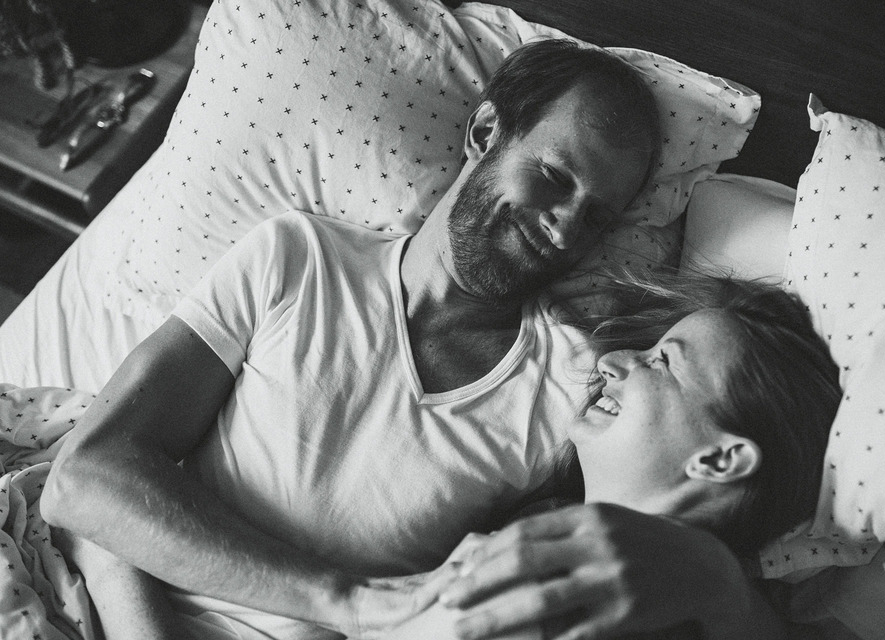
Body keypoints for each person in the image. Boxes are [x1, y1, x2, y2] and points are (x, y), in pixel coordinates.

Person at [37, 37, 792, 640]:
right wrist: (349, 602)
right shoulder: (299, 258)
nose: (565, 228)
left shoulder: (570, 387)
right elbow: (86, 479)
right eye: (555, 179)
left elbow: (650, 541)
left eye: (594, 217)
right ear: (486, 132)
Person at [380, 272, 842, 639]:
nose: (612, 360)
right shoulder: (544, 515)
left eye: (662, 362)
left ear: (719, 461)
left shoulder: (628, 610)